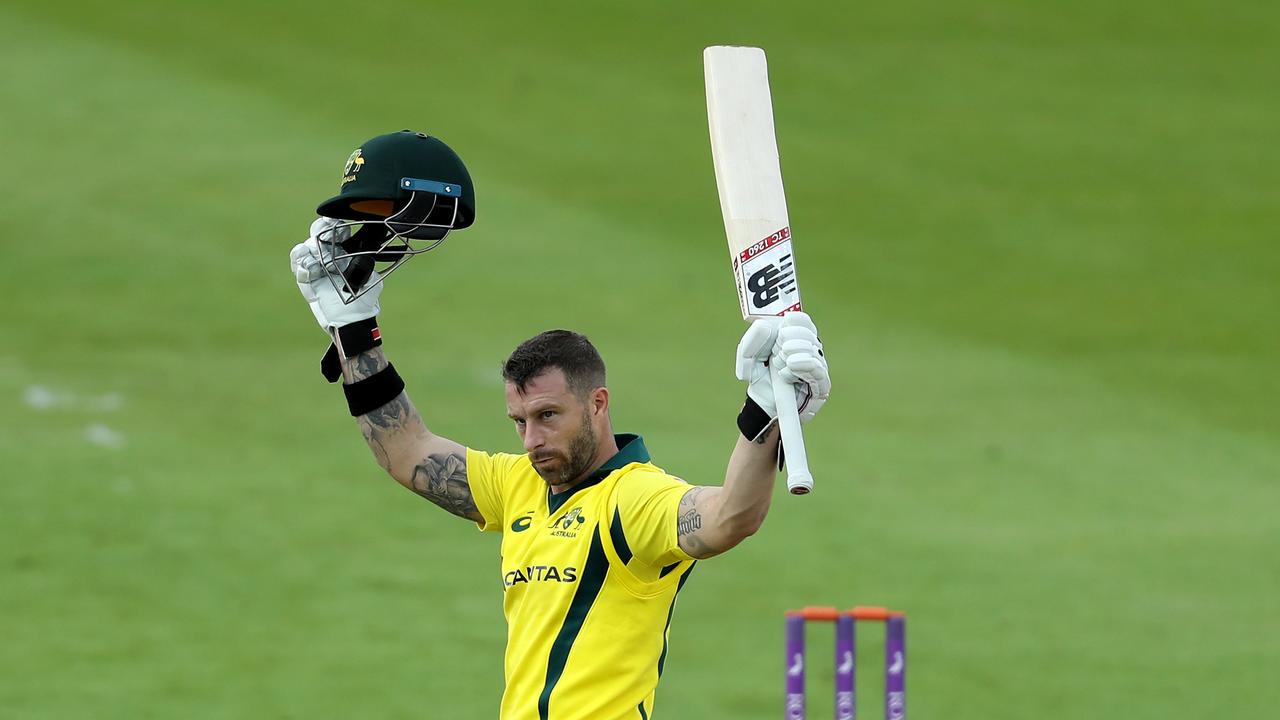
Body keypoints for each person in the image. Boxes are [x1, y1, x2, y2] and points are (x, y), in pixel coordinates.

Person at [290, 130, 832, 720]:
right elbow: (405, 451)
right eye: (519, 421)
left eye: (548, 416)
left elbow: (731, 516)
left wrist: (764, 410)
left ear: (598, 404)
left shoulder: (635, 500)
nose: (532, 440)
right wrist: (356, 330)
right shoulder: (518, 485)